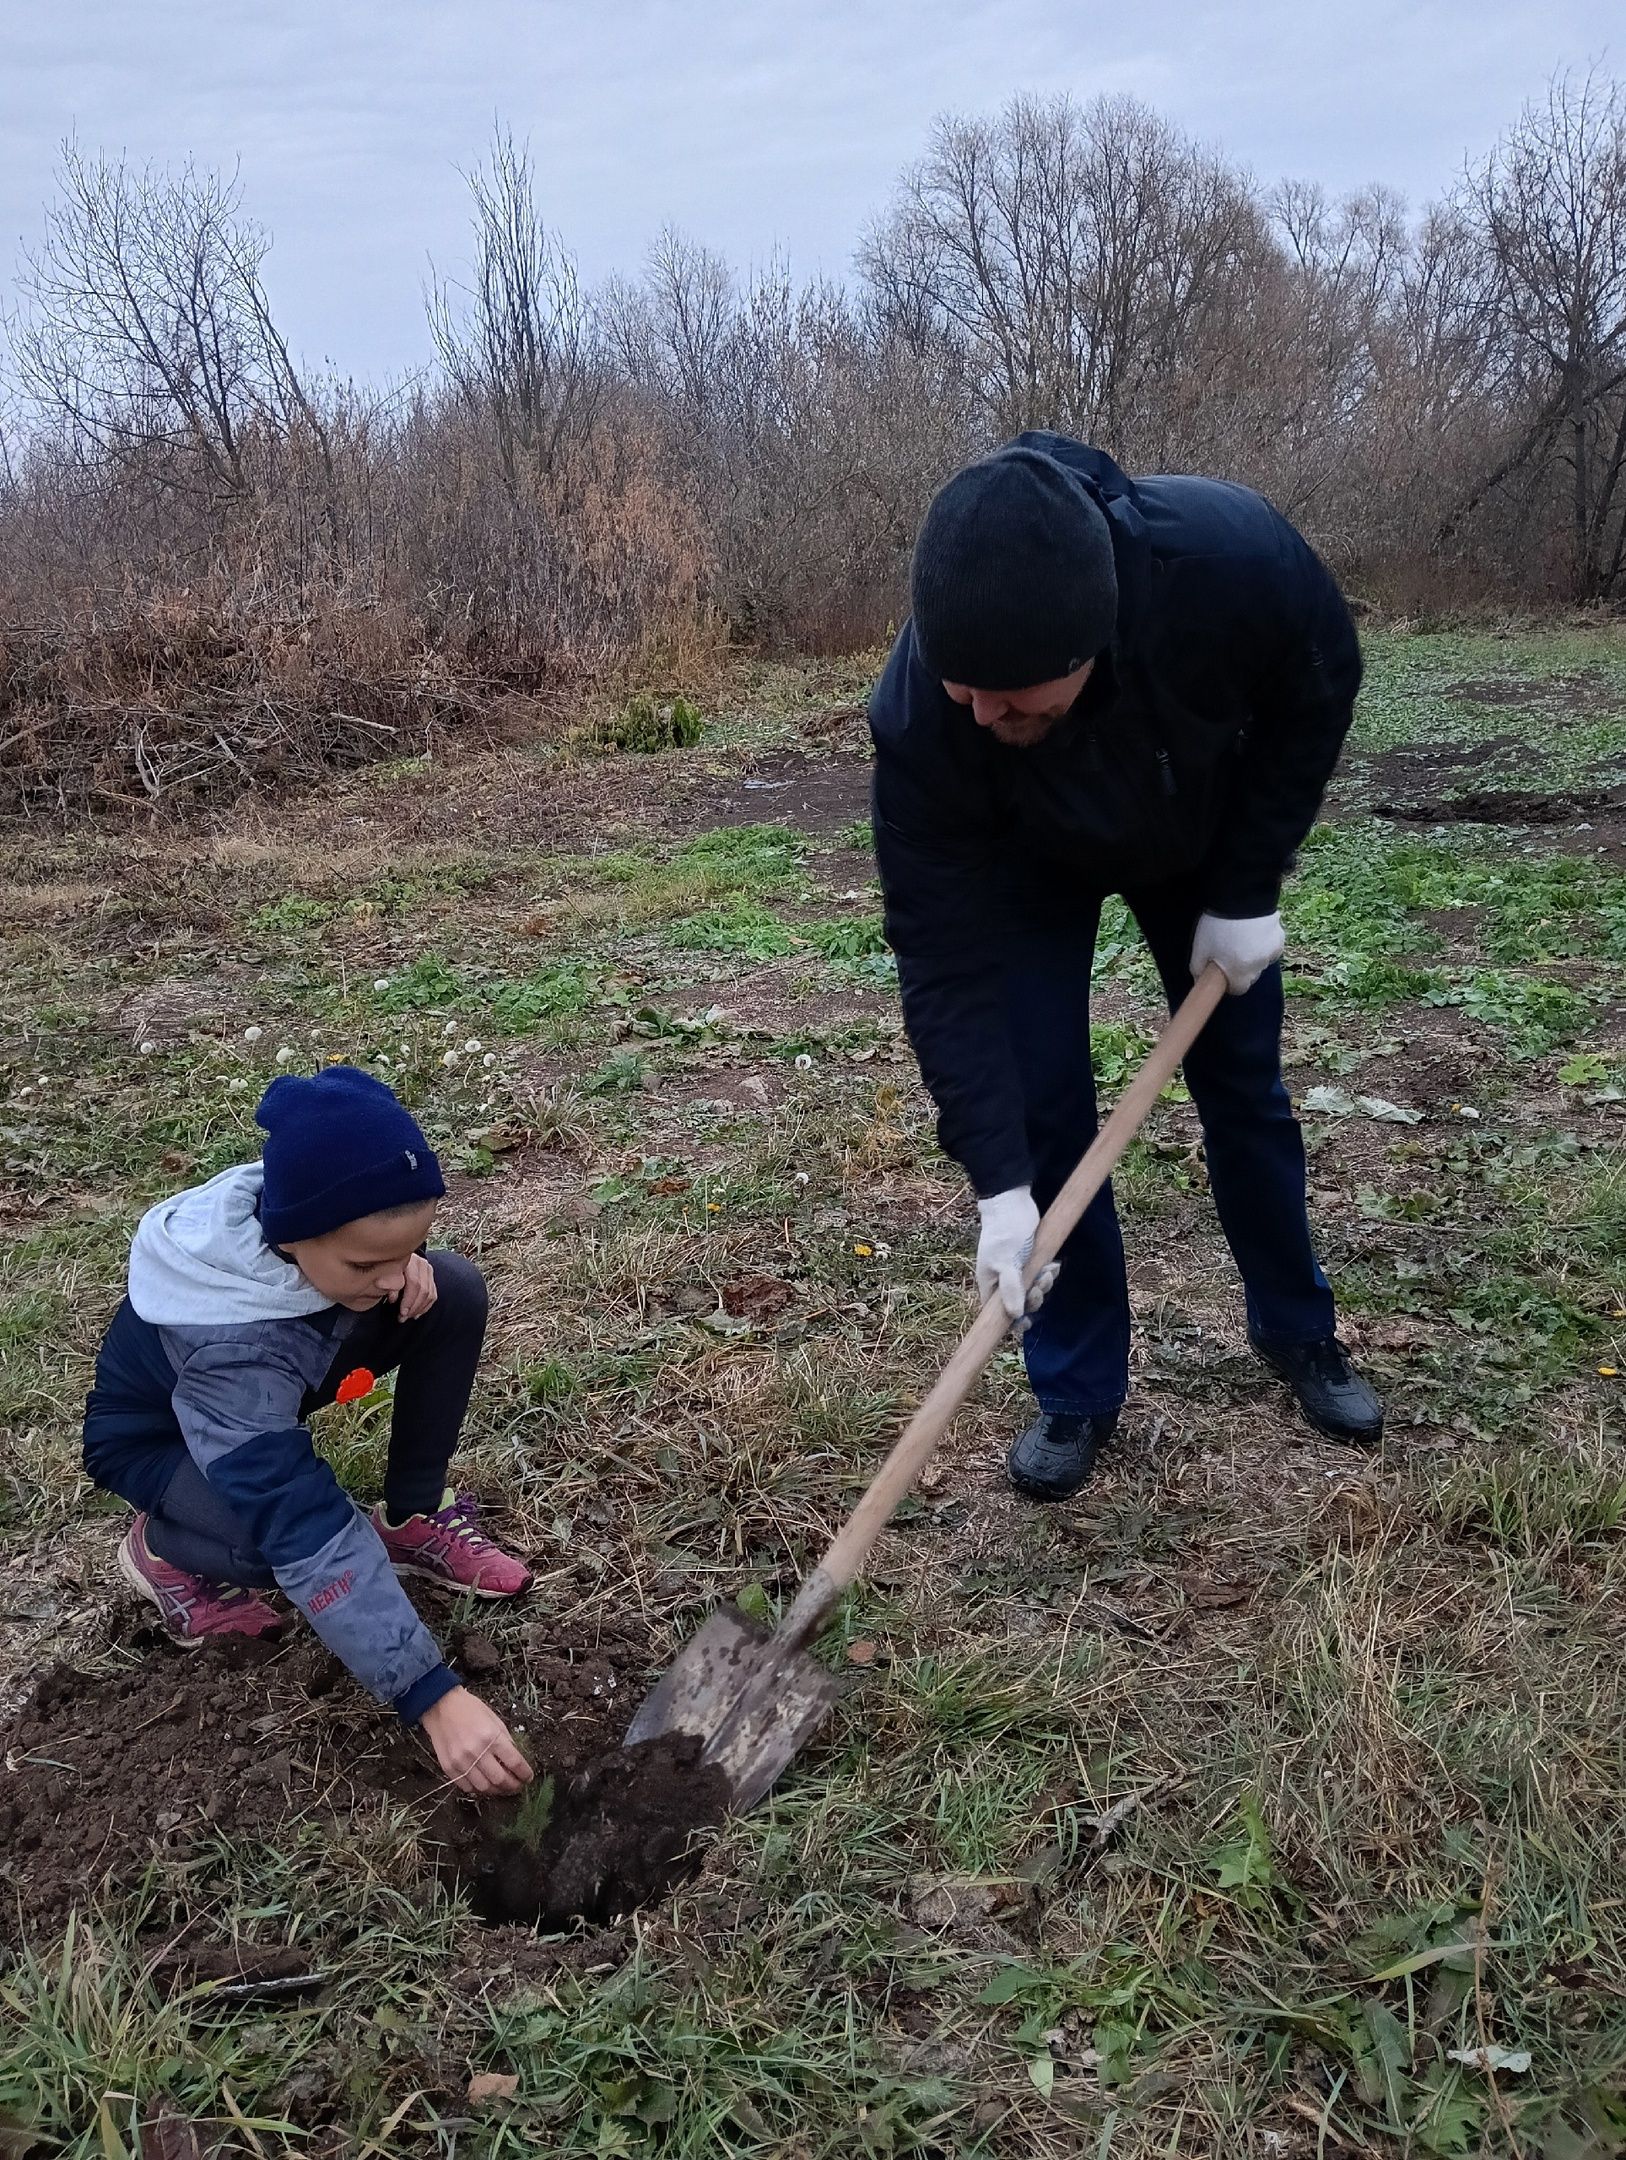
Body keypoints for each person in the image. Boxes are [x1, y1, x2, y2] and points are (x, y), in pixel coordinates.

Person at [869, 431, 1383, 1503]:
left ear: (1091, 639)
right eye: (969, 689)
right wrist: (998, 1184)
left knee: (1241, 1087)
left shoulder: (1229, 565)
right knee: (1047, 1112)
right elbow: (941, 955)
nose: (985, 715)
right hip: (1023, 866)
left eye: (1017, 697)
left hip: (1196, 837)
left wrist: (1248, 887)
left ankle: (1299, 1330)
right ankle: (1078, 1387)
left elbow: (1322, 679)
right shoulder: (927, 718)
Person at [83, 1064, 535, 1796]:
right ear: (294, 1239)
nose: (393, 1276)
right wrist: (430, 1694)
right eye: (369, 1262)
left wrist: (402, 1265)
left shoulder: (326, 1224)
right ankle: (165, 1547)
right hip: (161, 1442)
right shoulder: (230, 1349)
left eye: (404, 1250)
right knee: (278, 1547)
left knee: (448, 1291)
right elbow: (302, 1521)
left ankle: (410, 1519)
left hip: (271, 1384)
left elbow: (384, 1264)